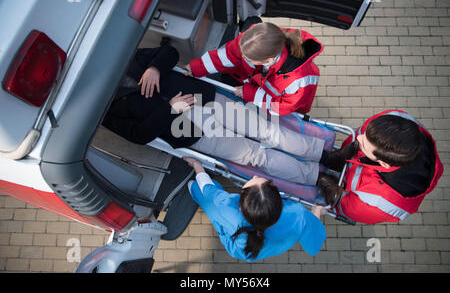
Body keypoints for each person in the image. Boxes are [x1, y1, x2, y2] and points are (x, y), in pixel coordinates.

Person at [102, 45, 329, 186]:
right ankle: (313, 178)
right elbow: (139, 135)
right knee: (257, 156)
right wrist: (170, 108)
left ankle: (324, 154)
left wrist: (154, 68)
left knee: (267, 130)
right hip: (189, 131)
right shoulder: (104, 111)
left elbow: (170, 52)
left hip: (206, 99)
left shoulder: (126, 60)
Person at [183, 157, 327, 262]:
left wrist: (197, 165)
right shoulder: (297, 212)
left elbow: (207, 189)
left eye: (253, 181)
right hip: (262, 249)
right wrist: (317, 211)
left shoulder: (226, 207)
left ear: (240, 206)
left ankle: (190, 187)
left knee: (196, 188)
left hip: (236, 244)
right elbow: (312, 239)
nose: (255, 175)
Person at [317, 110, 444, 224]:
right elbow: (362, 135)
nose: (359, 137)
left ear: (383, 164)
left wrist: (331, 190)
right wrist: (343, 156)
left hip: (348, 195)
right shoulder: (394, 121)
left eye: (364, 146)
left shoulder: (381, 204)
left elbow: (343, 208)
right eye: (365, 136)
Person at [182, 21, 323, 116]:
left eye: (248, 58)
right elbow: (227, 54)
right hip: (257, 87)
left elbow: (282, 107)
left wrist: (251, 94)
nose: (241, 56)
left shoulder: (298, 81)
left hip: (283, 104)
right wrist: (196, 67)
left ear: (267, 60)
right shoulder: (252, 40)